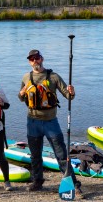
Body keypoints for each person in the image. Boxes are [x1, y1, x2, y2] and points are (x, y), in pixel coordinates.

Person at [18, 49, 83, 198]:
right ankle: (38, 181)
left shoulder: (53, 77)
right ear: (29, 61)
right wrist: (21, 93)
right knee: (35, 155)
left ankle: (73, 184)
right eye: (32, 59)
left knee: (61, 154)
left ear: (42, 59)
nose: (35, 61)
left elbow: (68, 96)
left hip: (50, 122)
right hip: (32, 122)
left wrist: (72, 92)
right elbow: (21, 98)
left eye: (37, 58)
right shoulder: (26, 77)